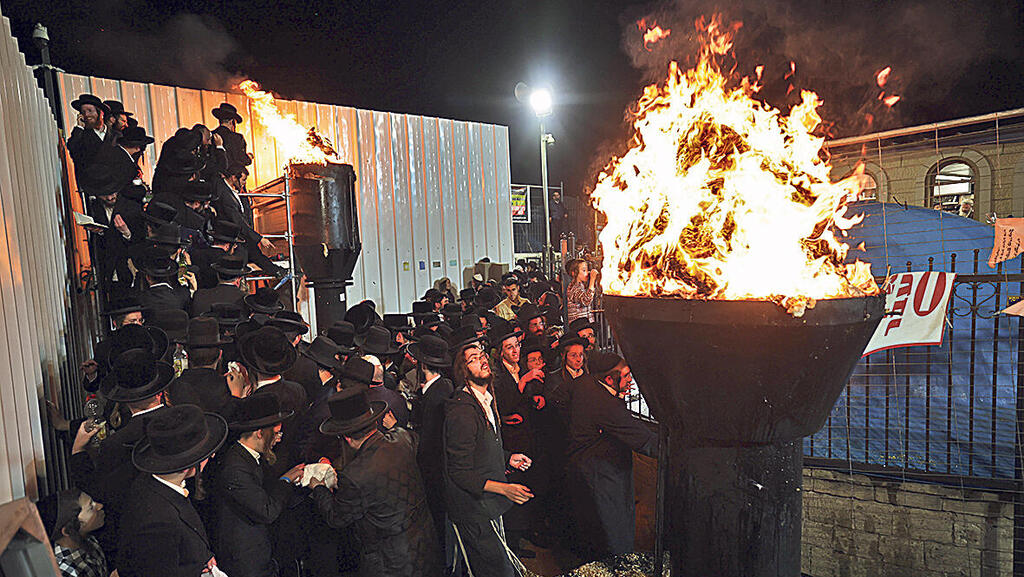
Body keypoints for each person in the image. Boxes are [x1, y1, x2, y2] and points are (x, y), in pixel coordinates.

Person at [310, 386, 442, 577]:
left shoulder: (354, 476)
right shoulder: (402, 438)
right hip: (426, 546)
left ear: (346, 437)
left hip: (391, 563)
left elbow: (337, 518)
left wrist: (319, 488)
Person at [444, 338, 534, 577]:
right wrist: (504, 489)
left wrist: (507, 457)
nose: (482, 360)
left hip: (487, 505)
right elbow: (459, 472)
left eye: (481, 355)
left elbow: (480, 449)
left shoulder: (484, 398)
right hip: (474, 510)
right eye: (472, 360)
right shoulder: (462, 412)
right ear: (463, 373)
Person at [118, 404, 228, 577]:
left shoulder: (152, 483)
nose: (212, 455)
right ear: (187, 466)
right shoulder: (158, 521)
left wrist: (202, 557)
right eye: (205, 452)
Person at [567, 352, 657, 559]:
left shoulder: (585, 382)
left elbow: (559, 398)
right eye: (625, 376)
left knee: (600, 521)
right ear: (609, 379)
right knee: (614, 525)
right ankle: (619, 563)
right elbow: (645, 441)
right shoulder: (606, 405)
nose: (630, 380)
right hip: (602, 471)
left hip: (588, 465)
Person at [207, 393, 304, 577]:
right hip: (246, 561)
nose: (279, 438)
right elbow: (266, 510)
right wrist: (286, 481)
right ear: (260, 433)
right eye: (275, 433)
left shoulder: (248, 457)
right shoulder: (235, 468)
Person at [406, 333, 454, 551]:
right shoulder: (445, 386)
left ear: (423, 364)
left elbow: (427, 441)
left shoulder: (433, 395)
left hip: (433, 469)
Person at [166, 318, 238, 416]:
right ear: (220, 354)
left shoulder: (172, 389)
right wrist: (238, 397)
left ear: (186, 355)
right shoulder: (230, 387)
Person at [48, 488, 109, 577]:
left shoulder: (88, 539)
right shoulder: (66, 572)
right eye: (91, 507)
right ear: (68, 531)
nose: (100, 506)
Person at [67, 94, 112, 177]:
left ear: (101, 112)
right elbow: (73, 149)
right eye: (83, 112)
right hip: (92, 186)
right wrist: (79, 127)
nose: (86, 115)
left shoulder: (115, 135)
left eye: (90, 111)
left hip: (116, 186)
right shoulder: (81, 135)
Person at [566, 259, 597, 323]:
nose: (587, 273)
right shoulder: (574, 288)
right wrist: (592, 279)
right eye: (583, 270)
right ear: (574, 273)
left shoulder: (581, 286)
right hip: (579, 328)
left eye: (587, 270)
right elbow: (586, 300)